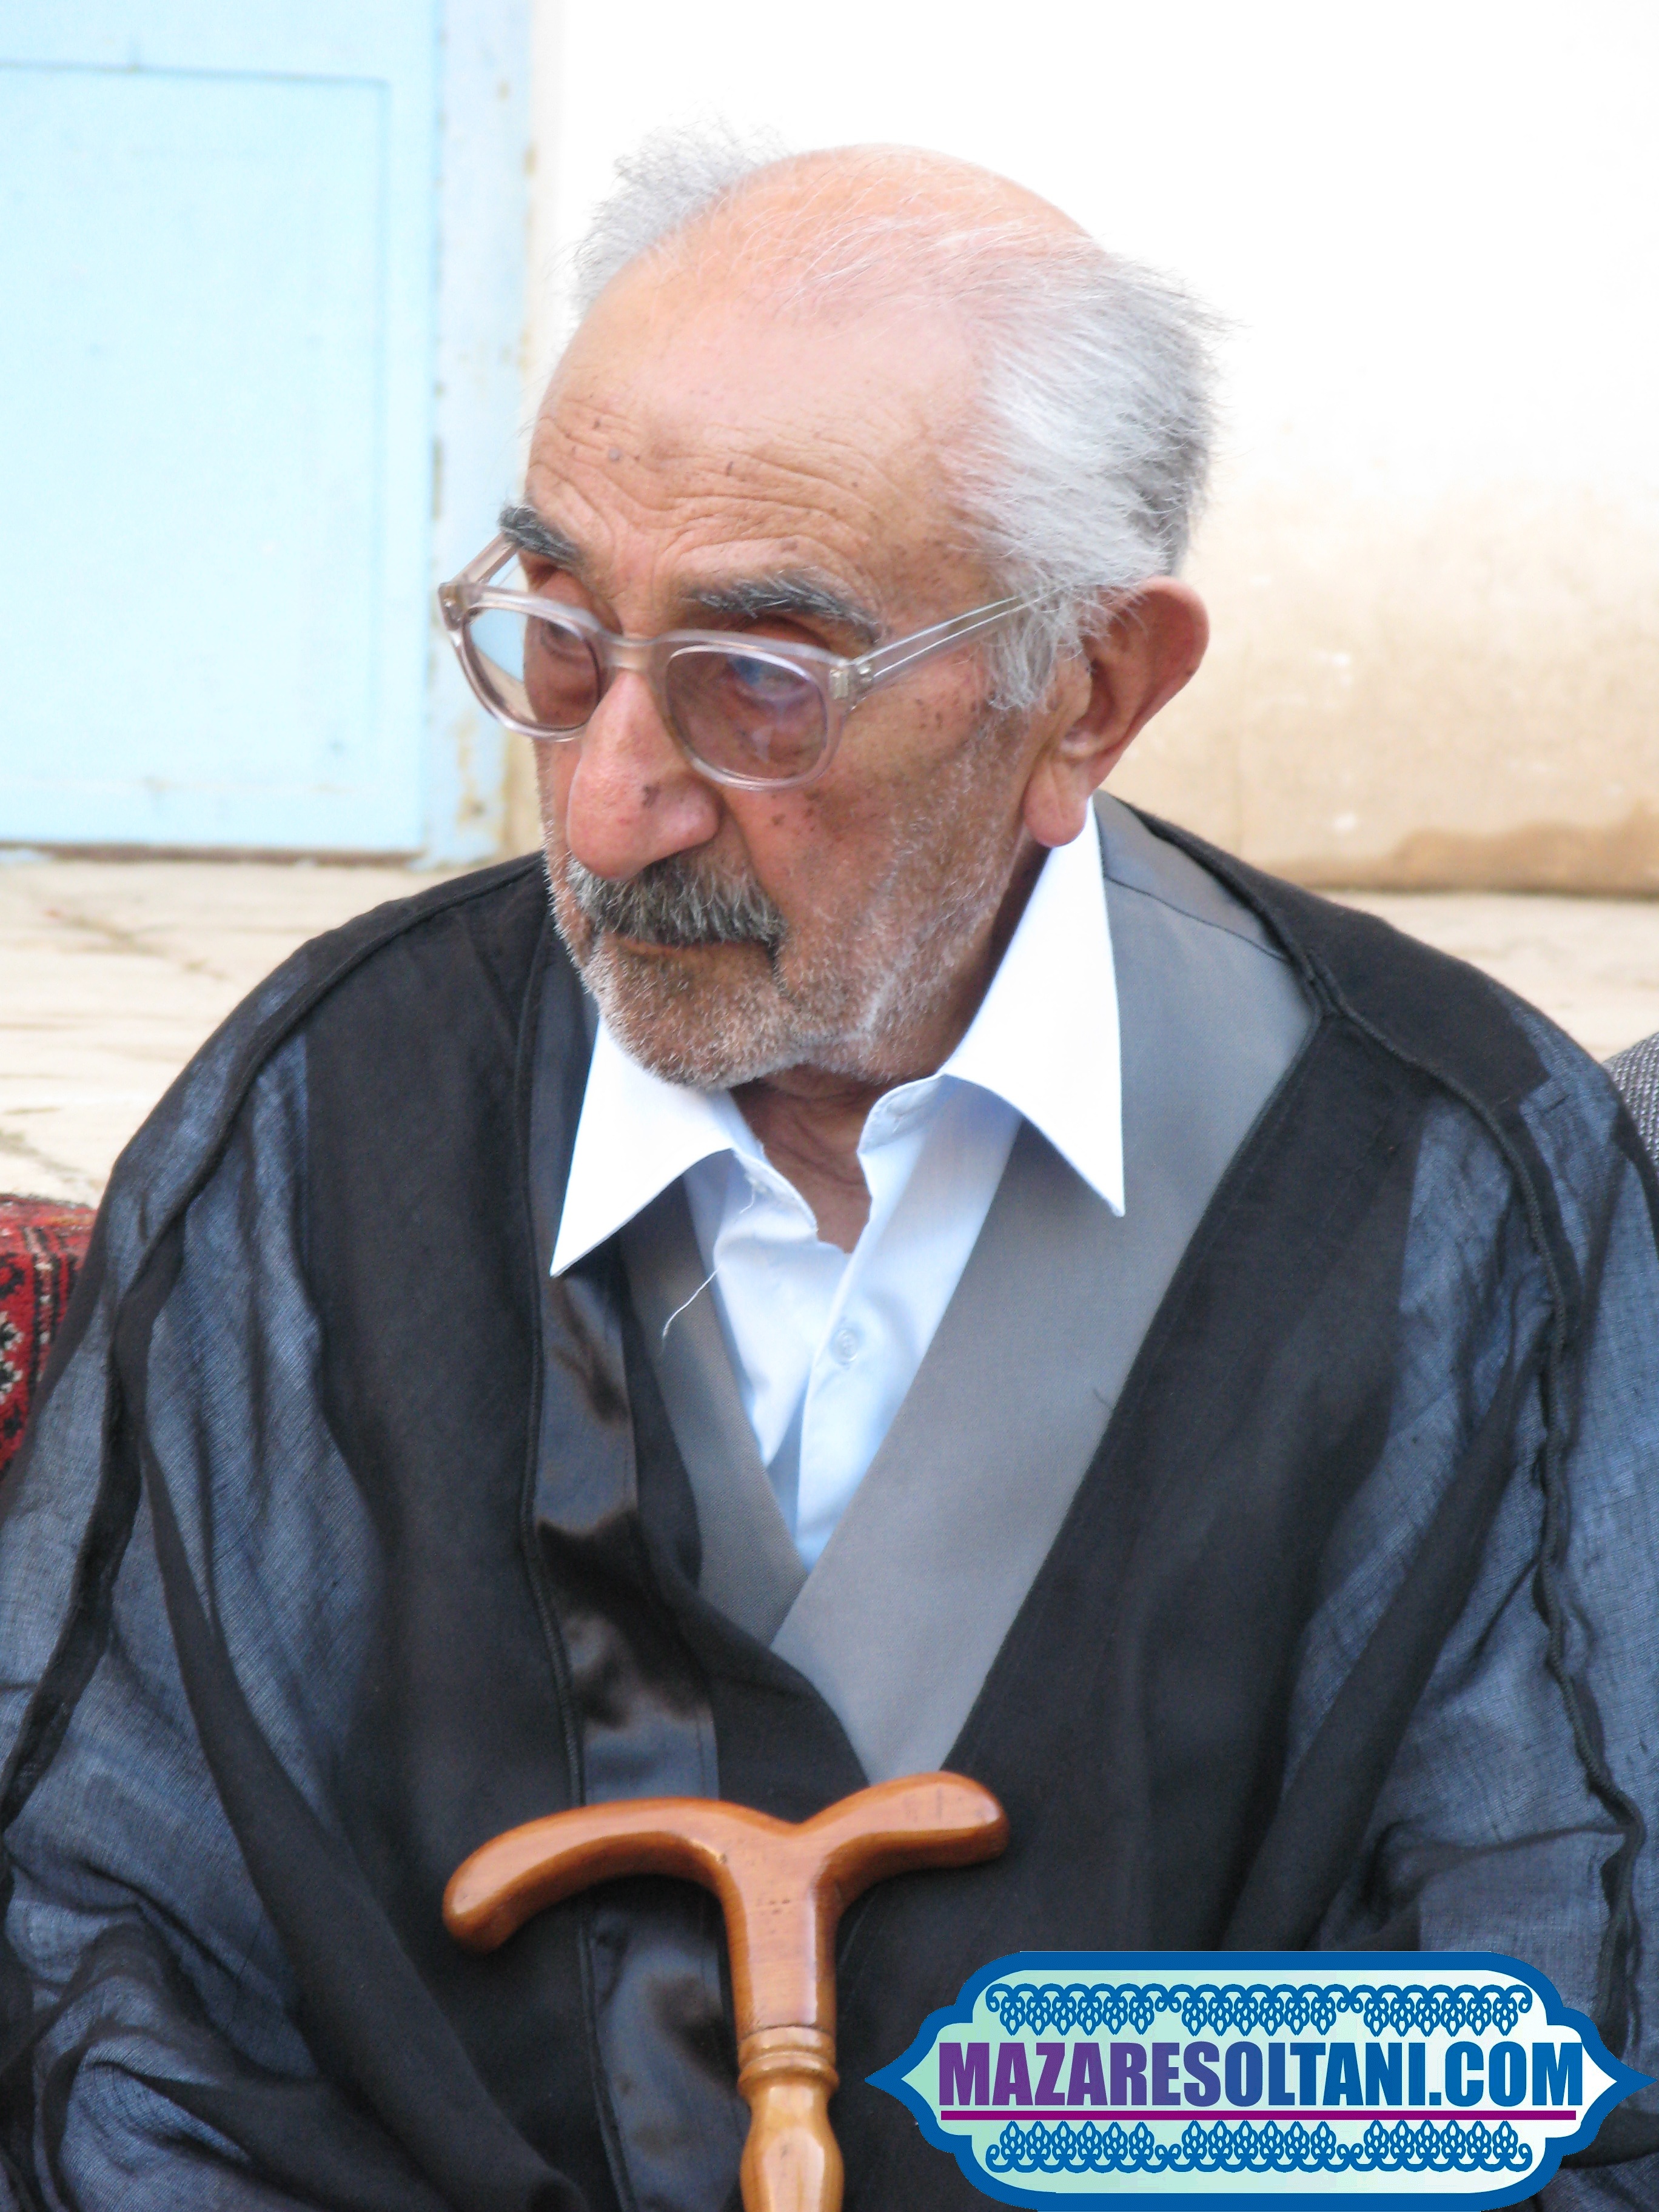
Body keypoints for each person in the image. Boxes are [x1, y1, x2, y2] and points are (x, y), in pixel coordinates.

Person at [2, 135, 1658, 2212]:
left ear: (1091, 693)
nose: (606, 809)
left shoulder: (1449, 1184)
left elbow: (1540, 2015)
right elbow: (107, 1951)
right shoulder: (330, 1116)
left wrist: (1040, 2108)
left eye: (758, 685)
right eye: (560, 640)